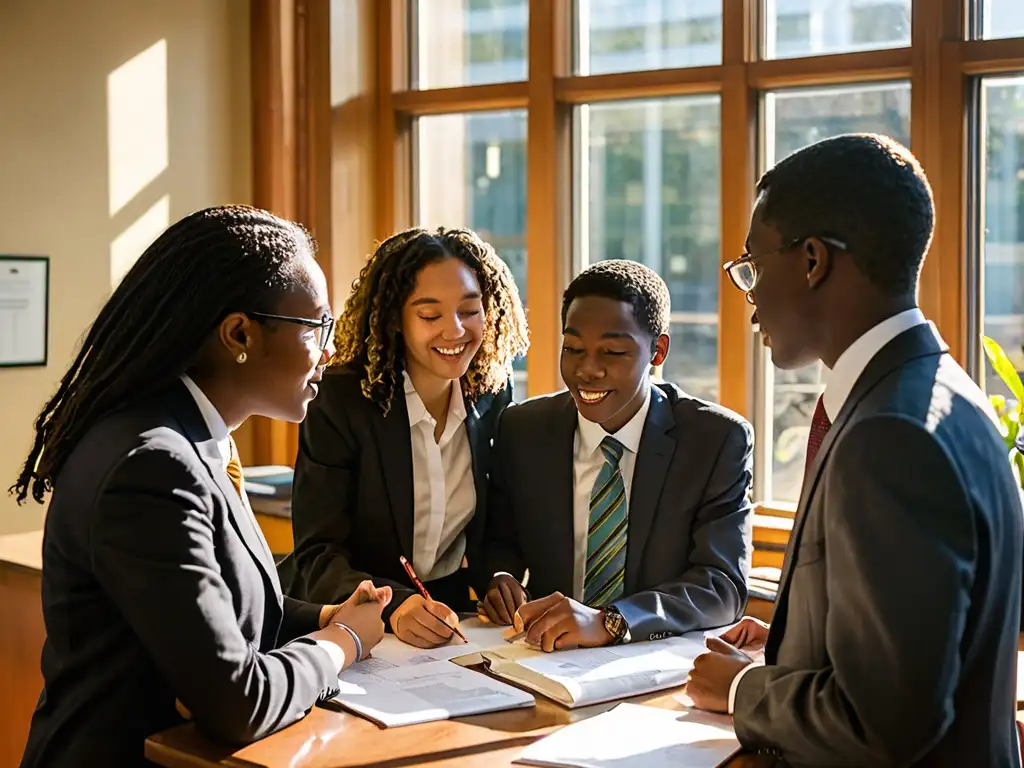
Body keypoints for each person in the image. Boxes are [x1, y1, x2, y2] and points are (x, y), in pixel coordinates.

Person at [687, 134, 1024, 767]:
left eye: (754, 266)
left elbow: (883, 724)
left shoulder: (889, 437)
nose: (750, 296)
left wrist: (742, 688)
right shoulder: (945, 391)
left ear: (812, 260)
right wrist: (796, 651)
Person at [14, 206, 391, 768]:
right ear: (239, 332)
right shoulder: (153, 466)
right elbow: (238, 702)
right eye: (318, 328)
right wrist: (345, 644)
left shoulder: (195, 439)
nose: (331, 351)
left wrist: (324, 617)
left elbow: (219, 609)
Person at [477, 259, 754, 651]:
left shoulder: (715, 440)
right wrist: (498, 578)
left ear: (657, 351)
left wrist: (613, 621)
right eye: (572, 348)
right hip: (544, 656)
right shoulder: (523, 430)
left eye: (613, 352)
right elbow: (498, 540)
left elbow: (721, 584)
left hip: (652, 664)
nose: (587, 370)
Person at [280, 227, 529, 649]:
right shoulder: (341, 400)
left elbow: (496, 518)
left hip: (447, 621)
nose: (455, 332)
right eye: (430, 316)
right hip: (347, 621)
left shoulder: (491, 394)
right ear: (395, 319)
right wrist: (394, 603)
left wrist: (498, 576)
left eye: (470, 311)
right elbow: (316, 554)